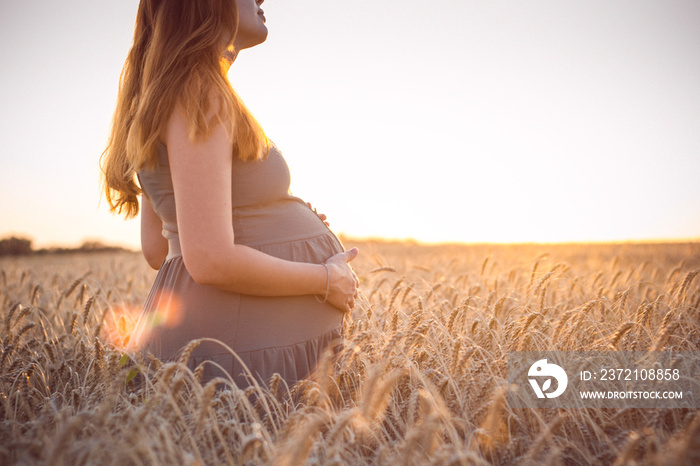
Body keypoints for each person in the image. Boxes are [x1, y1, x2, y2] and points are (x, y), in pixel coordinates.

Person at [100, 0, 360, 388]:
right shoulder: (199, 92)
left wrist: (274, 225)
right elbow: (207, 259)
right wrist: (325, 279)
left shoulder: (162, 95)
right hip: (246, 355)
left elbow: (161, 249)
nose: (262, 0)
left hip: (238, 341)